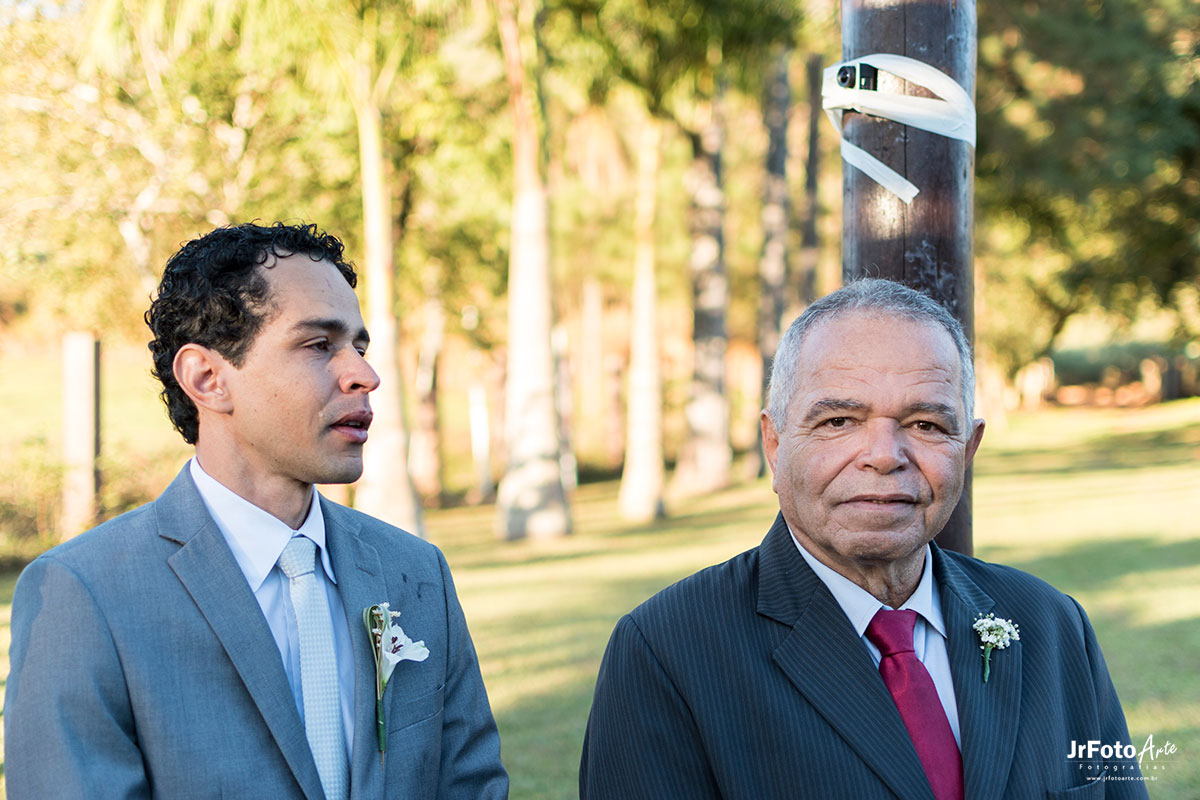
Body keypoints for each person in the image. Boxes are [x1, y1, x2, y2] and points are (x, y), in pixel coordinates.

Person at [580, 278, 1147, 799]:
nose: (883, 456)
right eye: (838, 422)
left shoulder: (1051, 624)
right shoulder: (666, 652)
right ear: (774, 446)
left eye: (926, 424)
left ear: (967, 451)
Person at [5, 223, 508, 799]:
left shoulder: (416, 573)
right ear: (208, 378)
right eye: (319, 345)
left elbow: (470, 786)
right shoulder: (85, 596)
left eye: (359, 347)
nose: (364, 375)